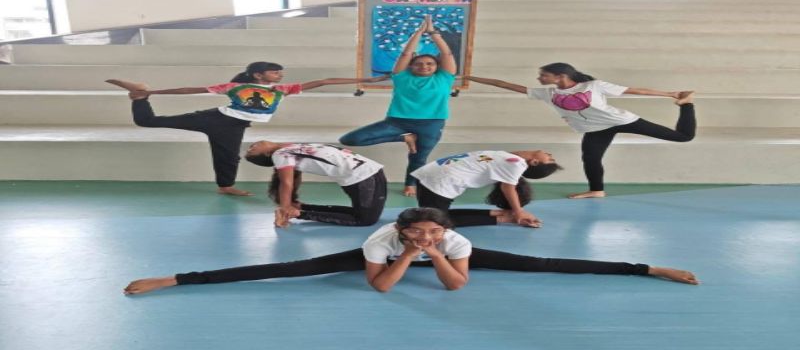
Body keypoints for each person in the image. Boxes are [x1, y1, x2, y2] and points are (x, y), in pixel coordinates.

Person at [123, 207, 699, 295]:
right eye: (417, 232)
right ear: (403, 230)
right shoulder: (381, 241)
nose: (425, 237)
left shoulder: (455, 240)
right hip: (382, 259)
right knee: (291, 268)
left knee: (545, 265)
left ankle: (645, 267)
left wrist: (437, 252)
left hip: (450, 257)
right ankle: (178, 279)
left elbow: (456, 286)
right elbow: (380, 287)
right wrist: (406, 253)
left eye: (432, 231)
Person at [106, 62, 388, 196]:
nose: (279, 75)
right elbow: (191, 89)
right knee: (147, 121)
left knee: (228, 156)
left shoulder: (282, 89)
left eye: (279, 72)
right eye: (274, 72)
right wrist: (153, 92)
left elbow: (325, 80)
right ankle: (140, 95)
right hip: (216, 118)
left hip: (233, 126)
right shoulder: (235, 87)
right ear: (258, 74)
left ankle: (225, 186)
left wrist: (366, 80)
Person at [467, 62, 696, 199]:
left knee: (682, 137)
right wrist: (470, 77)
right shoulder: (547, 93)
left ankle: (687, 105)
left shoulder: (593, 86)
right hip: (594, 129)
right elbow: (504, 84)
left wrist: (671, 94)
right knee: (591, 158)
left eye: (544, 75)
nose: (539, 78)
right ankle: (597, 190)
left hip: (620, 120)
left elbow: (635, 90)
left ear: (560, 76)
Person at [339, 15, 457, 198]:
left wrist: (432, 32)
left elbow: (447, 54)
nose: (424, 66)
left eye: (430, 64)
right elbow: (406, 54)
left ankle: (411, 184)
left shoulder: (445, 77)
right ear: (411, 66)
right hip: (397, 122)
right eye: (419, 64)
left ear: (437, 66)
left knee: (418, 157)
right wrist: (418, 32)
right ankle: (405, 138)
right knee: (350, 139)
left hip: (431, 124)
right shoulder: (401, 76)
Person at [244, 141, 387, 227]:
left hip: (367, 172)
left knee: (361, 214)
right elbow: (286, 182)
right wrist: (285, 207)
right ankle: (299, 213)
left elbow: (293, 177)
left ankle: (301, 208)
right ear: (267, 154)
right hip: (362, 177)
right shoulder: (280, 154)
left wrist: (289, 204)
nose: (250, 147)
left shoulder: (290, 147)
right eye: (251, 151)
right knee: (365, 220)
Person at [412, 150, 562, 228]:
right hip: (436, 178)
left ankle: (501, 216)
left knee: (434, 222)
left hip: (438, 181)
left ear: (534, 162)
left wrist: (519, 212)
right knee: (434, 218)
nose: (550, 155)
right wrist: (517, 211)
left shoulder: (516, 164)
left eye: (550, 159)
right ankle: (501, 214)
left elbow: (508, 187)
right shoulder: (512, 158)